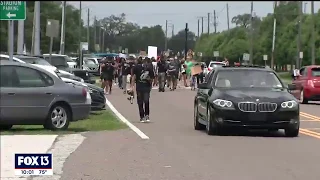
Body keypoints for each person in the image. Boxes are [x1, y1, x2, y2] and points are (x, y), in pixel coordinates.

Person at [130, 57, 155, 122]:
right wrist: (132, 86)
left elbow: (152, 79)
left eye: (148, 63)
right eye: (145, 63)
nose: (146, 64)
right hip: (139, 86)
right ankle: (142, 116)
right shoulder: (137, 67)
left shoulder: (150, 69)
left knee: (146, 101)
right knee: (140, 101)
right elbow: (134, 77)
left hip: (146, 87)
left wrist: (149, 80)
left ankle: (147, 115)